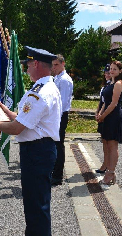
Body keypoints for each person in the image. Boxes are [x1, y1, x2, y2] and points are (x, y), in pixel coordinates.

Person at [0, 46, 61, 236]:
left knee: (36, 205)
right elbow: (23, 120)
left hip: (37, 152)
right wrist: (3, 110)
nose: (26, 69)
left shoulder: (39, 93)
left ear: (35, 63)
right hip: (40, 150)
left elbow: (17, 128)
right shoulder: (46, 87)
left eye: (27, 64)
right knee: (36, 202)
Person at [96, 60, 122, 186]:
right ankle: (110, 172)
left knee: (113, 145)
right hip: (106, 116)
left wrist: (102, 116)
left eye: (115, 69)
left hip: (113, 117)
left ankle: (110, 172)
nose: (112, 71)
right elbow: (104, 102)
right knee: (107, 144)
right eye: (111, 69)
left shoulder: (118, 84)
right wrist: (100, 114)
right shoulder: (109, 83)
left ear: (120, 71)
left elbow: (113, 104)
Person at [50, 54, 74, 186]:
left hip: (60, 115)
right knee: (54, 144)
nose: (54, 67)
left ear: (63, 64)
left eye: (56, 65)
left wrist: (55, 118)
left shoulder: (64, 80)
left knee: (58, 145)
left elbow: (63, 103)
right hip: (56, 115)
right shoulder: (56, 78)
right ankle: (54, 171)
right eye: (53, 65)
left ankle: (58, 176)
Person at [95, 64, 111, 174]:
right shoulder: (104, 87)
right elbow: (101, 102)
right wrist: (97, 112)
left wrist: (101, 114)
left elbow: (108, 103)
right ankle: (105, 163)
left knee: (108, 142)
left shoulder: (113, 86)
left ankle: (107, 164)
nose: (106, 74)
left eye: (109, 72)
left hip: (107, 115)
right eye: (105, 73)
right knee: (104, 141)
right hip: (101, 113)